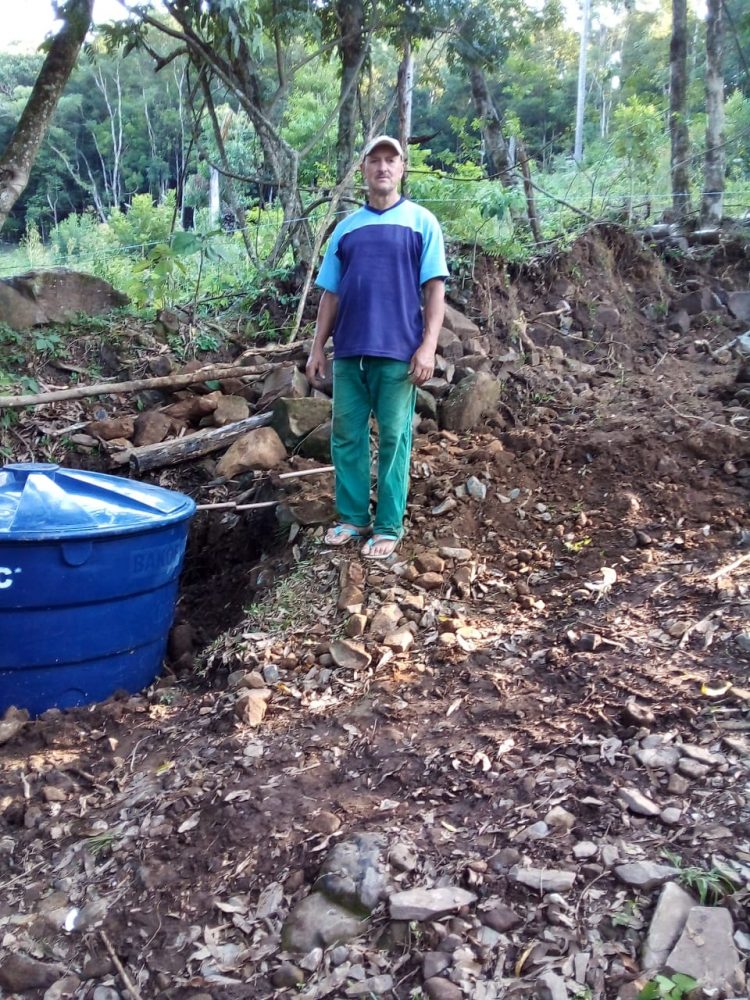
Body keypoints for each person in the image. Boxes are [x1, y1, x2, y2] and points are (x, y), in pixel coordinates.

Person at [306, 135, 448, 560]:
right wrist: (317, 348)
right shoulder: (345, 229)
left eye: (391, 160)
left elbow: (434, 289)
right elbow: (330, 294)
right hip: (350, 351)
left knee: (394, 437)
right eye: (375, 161)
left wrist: (428, 347)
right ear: (364, 169)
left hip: (398, 353)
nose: (383, 167)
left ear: (402, 168)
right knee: (347, 436)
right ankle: (352, 518)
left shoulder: (422, 223)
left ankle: (388, 525)